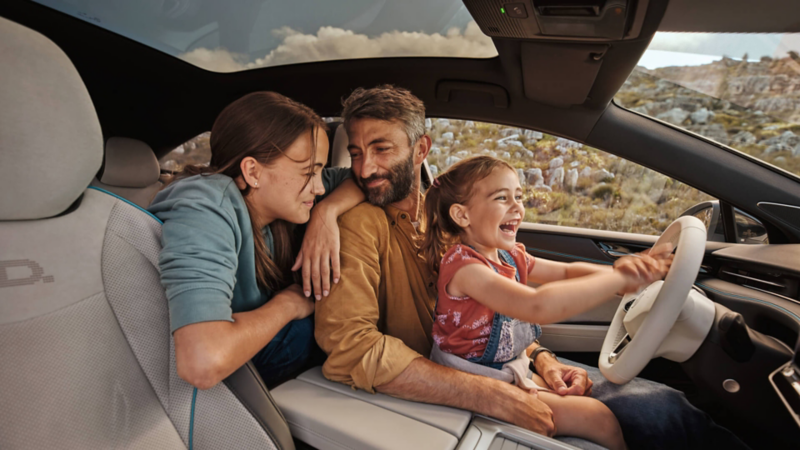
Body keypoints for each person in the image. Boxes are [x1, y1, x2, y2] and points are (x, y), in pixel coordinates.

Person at [315, 85, 750, 449]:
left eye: (381, 149)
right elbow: (352, 348)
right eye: (355, 153)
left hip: (509, 368)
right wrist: (491, 395)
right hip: (457, 386)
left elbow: (494, 311)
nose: (365, 168)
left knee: (669, 408)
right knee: (656, 415)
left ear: (420, 149)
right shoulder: (358, 227)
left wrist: (543, 360)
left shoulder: (447, 217)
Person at [421, 155, 675, 450]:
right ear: (462, 216)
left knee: (582, 400)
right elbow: (537, 306)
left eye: (518, 196)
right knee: (599, 418)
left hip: (505, 367)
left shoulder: (509, 254)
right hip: (471, 379)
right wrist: (619, 280)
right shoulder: (465, 269)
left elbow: (566, 272)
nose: (517, 207)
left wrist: (621, 274)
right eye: (502, 198)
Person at [149, 91, 363, 388]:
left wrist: (326, 214)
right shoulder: (205, 207)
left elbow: (364, 179)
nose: (318, 187)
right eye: (308, 172)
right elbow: (203, 361)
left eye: (320, 172)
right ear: (253, 171)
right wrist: (289, 303)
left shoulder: (276, 201)